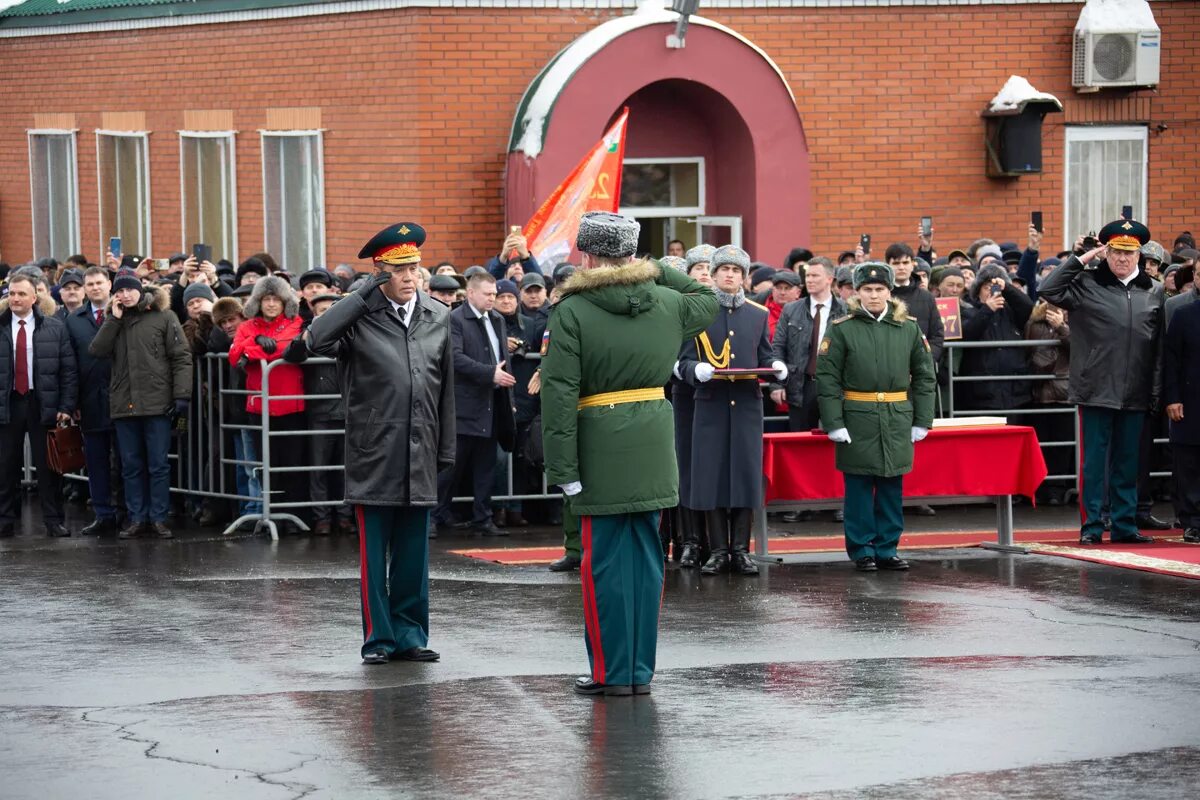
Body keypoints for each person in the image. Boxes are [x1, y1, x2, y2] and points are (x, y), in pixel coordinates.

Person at [541, 211, 716, 695]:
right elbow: (707, 296)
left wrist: (562, 465)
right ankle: (639, 671)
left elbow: (558, 394)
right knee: (646, 561)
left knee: (601, 567)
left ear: (588, 255)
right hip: (655, 441)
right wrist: (658, 267)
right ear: (633, 254)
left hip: (599, 444)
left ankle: (610, 672)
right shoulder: (667, 301)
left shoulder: (572, 310)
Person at [308, 222, 453, 665]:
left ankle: (410, 635)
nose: (410, 277)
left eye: (414, 268)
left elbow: (444, 387)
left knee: (413, 554)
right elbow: (316, 339)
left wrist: (445, 448)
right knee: (375, 555)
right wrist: (358, 295)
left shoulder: (438, 315)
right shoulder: (358, 317)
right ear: (379, 272)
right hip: (375, 448)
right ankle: (380, 639)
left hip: (421, 446)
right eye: (399, 269)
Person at [1038, 219, 1163, 544]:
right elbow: (1047, 289)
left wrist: (1155, 390)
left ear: (1139, 254)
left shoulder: (1153, 290)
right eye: (1116, 252)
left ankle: (1123, 526)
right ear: (1106, 252)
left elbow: (1158, 346)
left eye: (1129, 253)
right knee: (1094, 464)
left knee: (1127, 464)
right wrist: (1080, 259)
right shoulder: (1087, 282)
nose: (1123, 259)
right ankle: (1092, 526)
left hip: (1135, 390)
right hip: (1095, 389)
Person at [816, 262, 936, 571]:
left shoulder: (908, 327)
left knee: (891, 487)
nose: (873, 295)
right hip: (857, 416)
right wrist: (834, 422)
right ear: (857, 292)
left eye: (879, 289)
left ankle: (887, 548)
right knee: (858, 488)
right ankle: (861, 549)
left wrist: (923, 419)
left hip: (897, 416)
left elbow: (925, 376)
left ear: (889, 291)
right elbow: (827, 379)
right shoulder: (842, 328)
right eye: (867, 290)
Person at [677, 245, 786, 576]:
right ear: (712, 274)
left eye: (736, 271)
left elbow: (764, 355)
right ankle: (719, 550)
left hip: (746, 407)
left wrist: (776, 366)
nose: (729, 275)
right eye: (723, 269)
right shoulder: (699, 312)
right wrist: (695, 370)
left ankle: (741, 550)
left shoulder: (757, 314)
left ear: (744, 277)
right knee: (710, 477)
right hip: (710, 405)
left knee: (743, 477)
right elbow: (681, 361)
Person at [89, 273, 191, 539]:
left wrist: (182, 396)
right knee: (130, 465)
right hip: (124, 404)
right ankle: (137, 517)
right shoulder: (115, 321)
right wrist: (114, 319)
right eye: (120, 292)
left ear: (140, 291)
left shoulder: (164, 317)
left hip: (157, 404)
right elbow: (97, 350)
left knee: (158, 465)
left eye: (129, 291)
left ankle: (158, 517)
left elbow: (181, 357)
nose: (125, 296)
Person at [432, 272, 515, 536]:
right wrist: (488, 373)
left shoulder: (498, 320)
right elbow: (454, 357)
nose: (493, 299)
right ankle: (433, 516)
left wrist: (508, 399)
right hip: (464, 407)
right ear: (470, 293)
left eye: (495, 294)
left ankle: (483, 518)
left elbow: (503, 360)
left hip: (492, 404)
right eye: (488, 294)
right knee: (451, 468)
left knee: (485, 467)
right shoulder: (455, 320)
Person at [0, 273, 77, 538]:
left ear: (35, 297)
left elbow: (68, 370)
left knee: (47, 467)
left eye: (21, 294)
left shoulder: (54, 327)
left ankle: (53, 520)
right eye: (11, 293)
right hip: (8, 402)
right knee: (5, 465)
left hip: (42, 402)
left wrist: (66, 405)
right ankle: (4, 520)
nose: (15, 298)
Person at [228, 275, 307, 529]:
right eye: (266, 299)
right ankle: (269, 514)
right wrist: (255, 343)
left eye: (276, 299)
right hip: (259, 406)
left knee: (292, 464)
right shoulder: (248, 327)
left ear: (285, 302)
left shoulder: (296, 322)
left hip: (290, 405)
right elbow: (234, 354)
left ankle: (292, 518)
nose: (271, 304)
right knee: (265, 465)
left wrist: (252, 352)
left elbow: (289, 348)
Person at [285, 293, 354, 536]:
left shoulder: (350, 334)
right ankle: (322, 518)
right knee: (319, 469)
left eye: (331, 310)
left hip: (347, 412)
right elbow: (291, 356)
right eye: (322, 310)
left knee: (346, 469)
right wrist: (304, 338)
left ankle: (345, 517)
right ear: (314, 314)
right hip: (320, 412)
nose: (326, 314)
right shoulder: (310, 334)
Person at [66, 266, 121, 535]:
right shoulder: (74, 319)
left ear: (109, 285)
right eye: (90, 284)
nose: (95, 288)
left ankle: (128, 512)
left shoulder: (125, 313)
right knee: (96, 461)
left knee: (127, 460)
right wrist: (71, 402)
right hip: (90, 401)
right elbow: (70, 364)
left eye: (100, 282)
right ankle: (103, 514)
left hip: (124, 399)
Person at [770, 257, 846, 432]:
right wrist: (777, 384)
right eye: (807, 275)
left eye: (815, 276)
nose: (809, 280)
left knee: (835, 439)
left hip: (834, 385)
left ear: (829, 279)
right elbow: (778, 348)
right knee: (799, 439)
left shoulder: (845, 310)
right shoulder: (791, 309)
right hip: (800, 384)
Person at [1164, 299, 1200, 542]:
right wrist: (1172, 398)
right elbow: (1171, 361)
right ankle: (1193, 522)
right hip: (1189, 402)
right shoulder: (1183, 314)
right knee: (1188, 465)